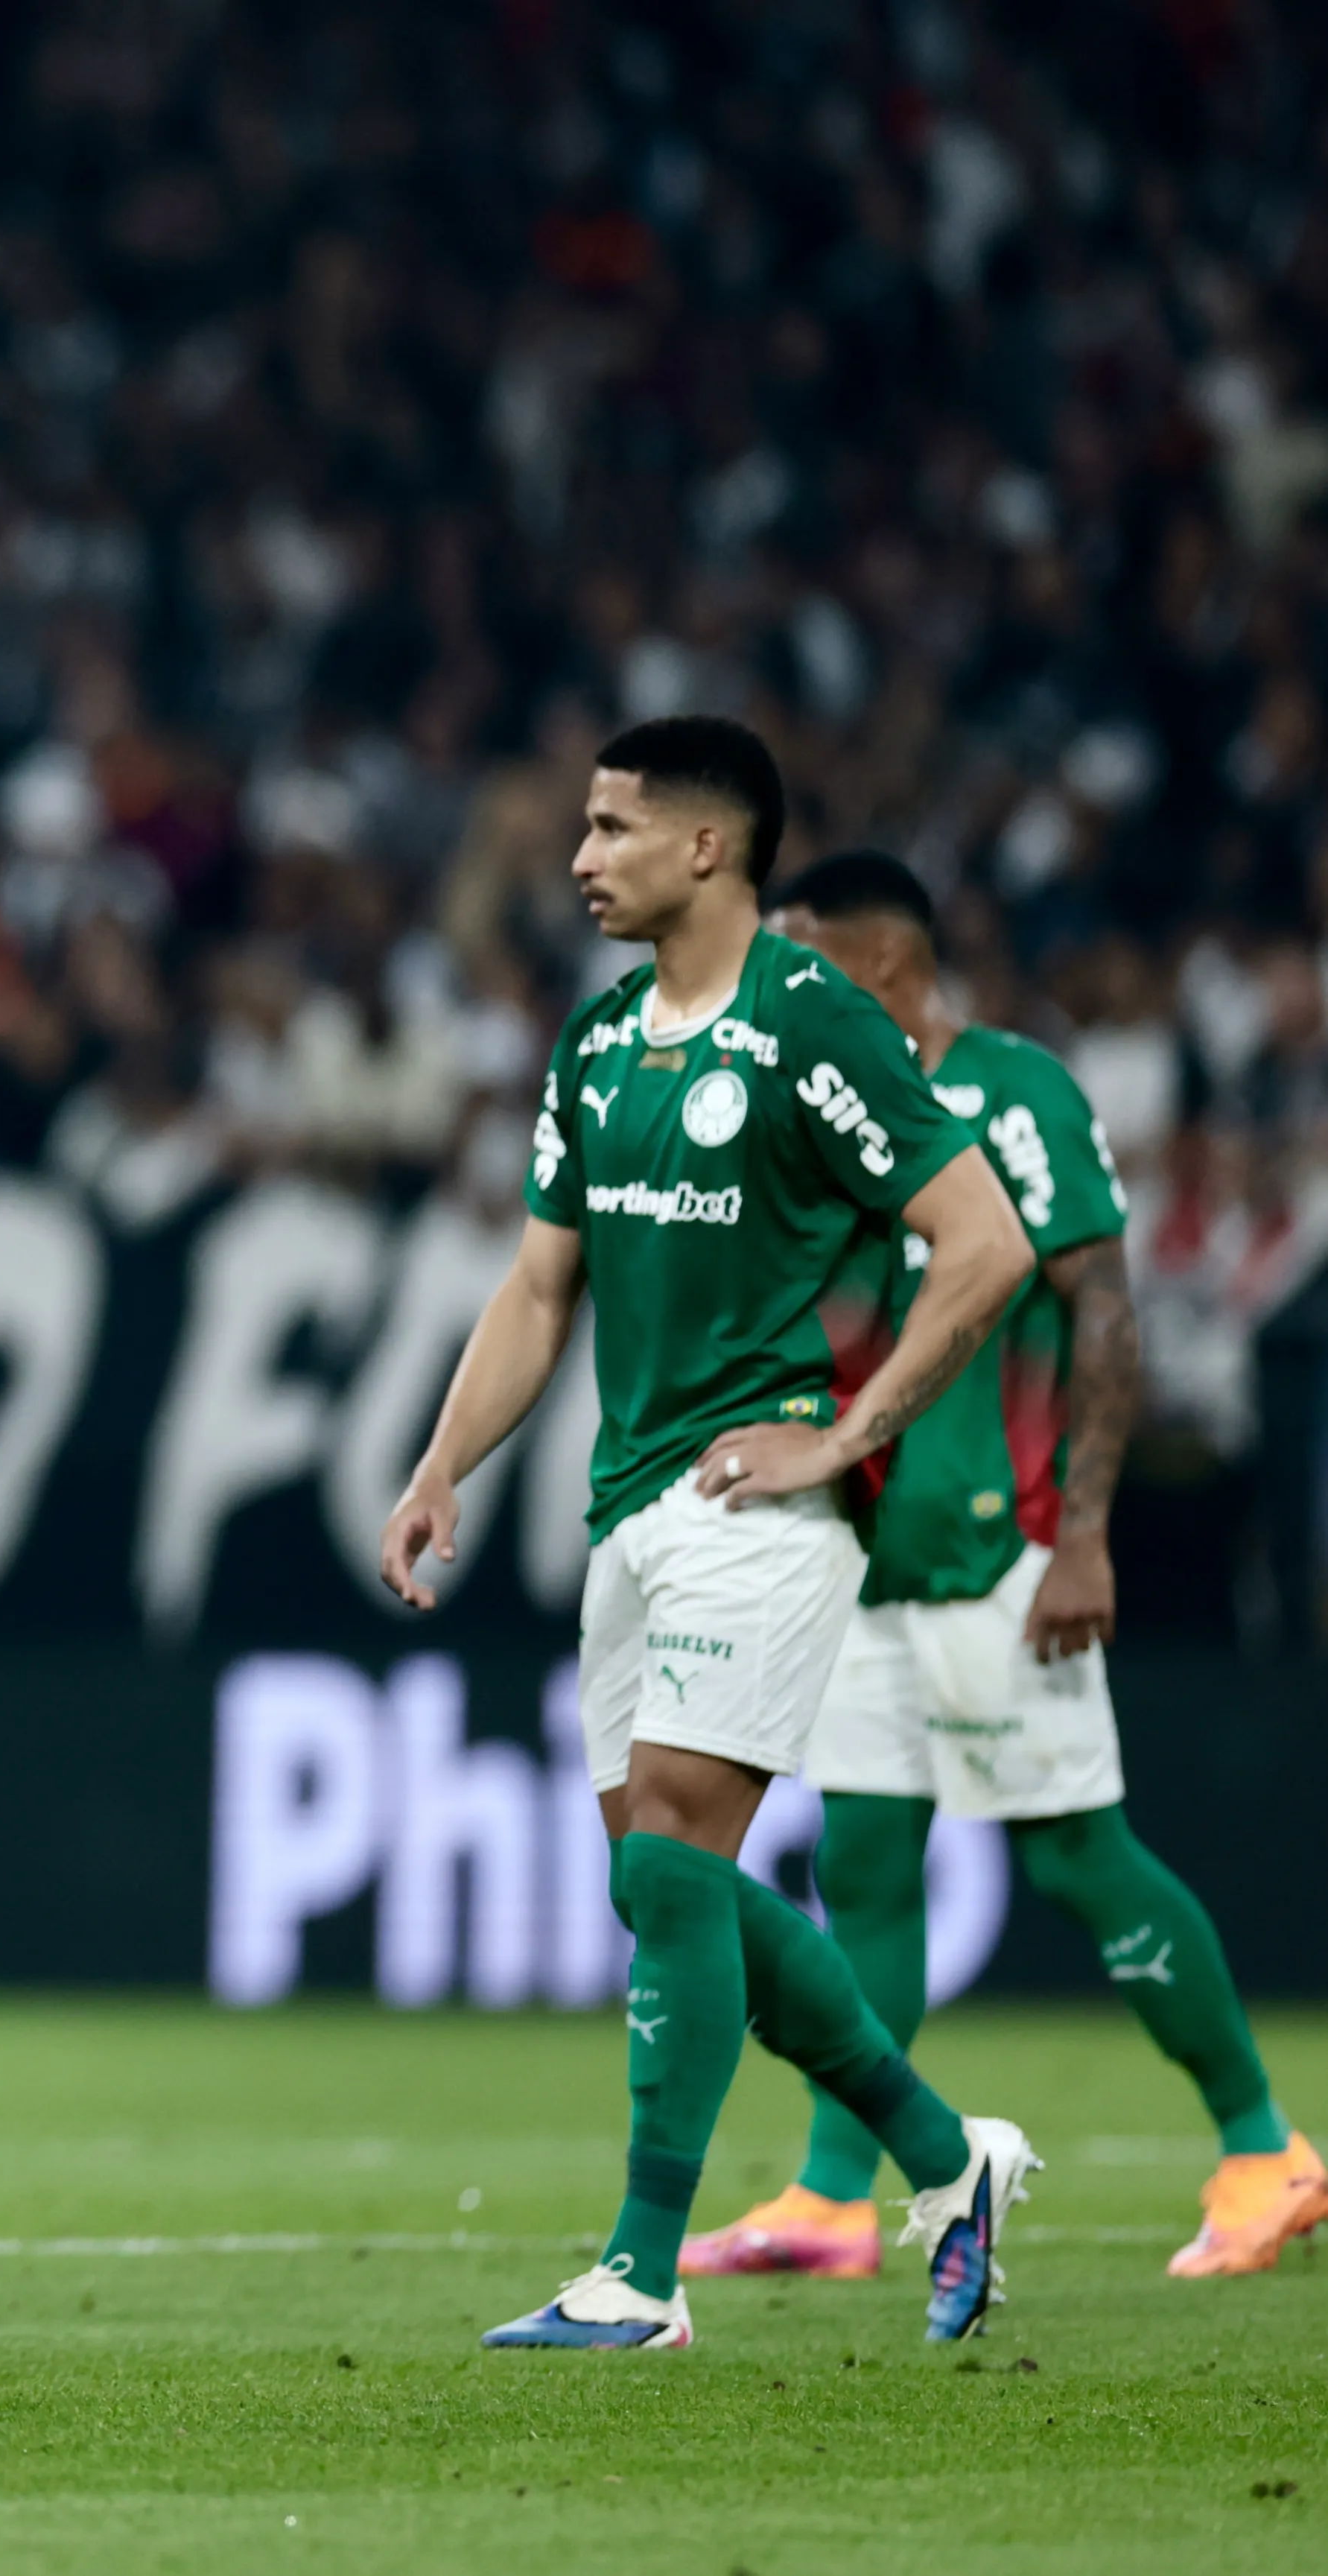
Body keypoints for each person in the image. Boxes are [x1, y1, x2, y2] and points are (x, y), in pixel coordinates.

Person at [377, 717, 1043, 2351]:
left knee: (673, 1849)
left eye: (610, 827)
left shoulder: (813, 1023)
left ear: (704, 846)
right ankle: (947, 2157)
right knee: (656, 1880)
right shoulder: (599, 1041)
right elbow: (541, 1286)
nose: (579, 856)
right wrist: (442, 1461)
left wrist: (847, 1434)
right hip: (629, 1501)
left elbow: (982, 1242)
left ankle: (637, 2271)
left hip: (763, 1503)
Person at [682, 851, 1324, 2282]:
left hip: (997, 1544)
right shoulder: (827, 1112)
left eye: (801, 959)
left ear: (879, 966)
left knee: (1077, 1852)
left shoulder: (1014, 1094)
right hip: (864, 1555)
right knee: (861, 1863)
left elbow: (1103, 1305)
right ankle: (833, 2195)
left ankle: (1263, 2146)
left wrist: (1082, 1530)